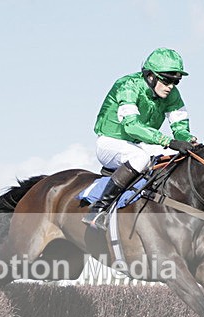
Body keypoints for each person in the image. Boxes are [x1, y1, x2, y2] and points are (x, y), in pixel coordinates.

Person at [83, 47, 198, 230]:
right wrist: (169, 141)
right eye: (167, 80)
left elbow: (180, 127)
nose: (171, 87)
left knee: (179, 156)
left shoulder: (172, 94)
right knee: (140, 158)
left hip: (141, 143)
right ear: (150, 76)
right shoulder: (127, 86)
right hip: (111, 142)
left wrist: (186, 140)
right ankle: (98, 211)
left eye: (176, 81)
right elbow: (131, 126)